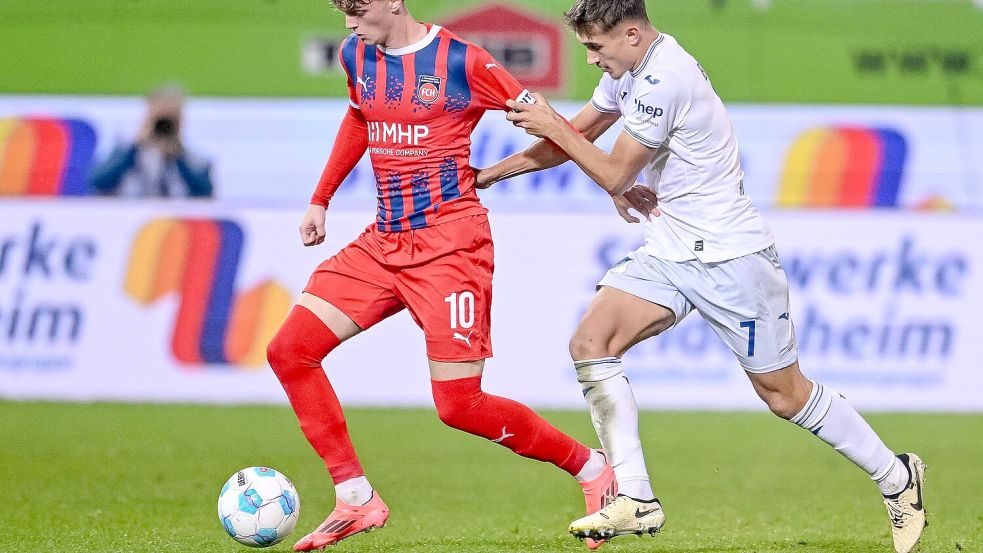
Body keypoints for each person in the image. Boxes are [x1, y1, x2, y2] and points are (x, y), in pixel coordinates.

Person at [474, 1, 927, 552]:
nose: (591, 59)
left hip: (732, 258)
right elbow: (573, 136)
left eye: (596, 47)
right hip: (669, 249)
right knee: (591, 341)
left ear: (633, 35)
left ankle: (897, 477)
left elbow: (611, 165)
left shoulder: (665, 78)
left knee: (784, 396)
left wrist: (581, 153)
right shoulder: (629, 73)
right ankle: (636, 498)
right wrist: (490, 174)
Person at [265, 0, 617, 550]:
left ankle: (593, 468)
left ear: (393, 1)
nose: (349, 22)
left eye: (356, 9)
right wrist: (320, 199)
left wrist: (614, 183)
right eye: (343, 11)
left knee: (459, 406)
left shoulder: (462, 61)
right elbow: (361, 116)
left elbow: (548, 121)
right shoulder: (356, 54)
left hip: (451, 247)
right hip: (384, 242)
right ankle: (356, 498)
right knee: (290, 351)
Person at [88, 85, 213, 198]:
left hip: (175, 220)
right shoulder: (124, 152)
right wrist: (135, 146)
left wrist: (178, 155)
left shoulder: (192, 159)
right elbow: (99, 182)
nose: (164, 126)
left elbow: (205, 192)